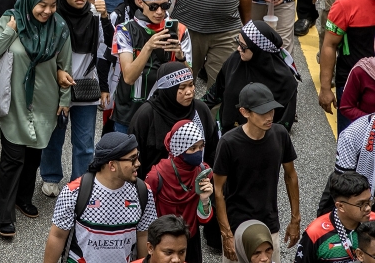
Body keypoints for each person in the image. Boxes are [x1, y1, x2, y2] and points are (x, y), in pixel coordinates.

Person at [0, 0, 70, 237]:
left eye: (53, 5)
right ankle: (3, 216)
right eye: (41, 5)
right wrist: (11, 31)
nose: (47, 11)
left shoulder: (59, 28)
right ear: (30, 1)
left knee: (33, 156)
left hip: (45, 102)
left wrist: (65, 99)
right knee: (12, 159)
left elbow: (64, 67)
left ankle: (23, 198)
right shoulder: (12, 19)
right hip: (15, 102)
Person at [40, 0, 113, 192]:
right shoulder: (53, 17)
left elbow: (109, 46)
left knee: (84, 141)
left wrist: (105, 17)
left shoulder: (94, 15)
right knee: (54, 136)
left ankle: (79, 182)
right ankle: (50, 177)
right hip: (58, 85)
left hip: (86, 86)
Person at [213, 83, 299, 262]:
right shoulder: (229, 143)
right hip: (237, 226)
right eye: (262, 112)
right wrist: (227, 235)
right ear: (245, 112)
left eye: (272, 111)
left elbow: (291, 175)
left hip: (269, 224)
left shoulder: (280, 134)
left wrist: (295, 219)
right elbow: (218, 190)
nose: (269, 117)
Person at [44, 132, 158, 263]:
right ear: (112, 165)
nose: (138, 163)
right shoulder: (74, 192)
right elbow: (58, 236)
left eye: (137, 156)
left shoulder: (143, 192)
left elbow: (143, 234)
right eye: (132, 158)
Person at [111, 0, 192, 133]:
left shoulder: (180, 30)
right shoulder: (124, 30)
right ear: (140, 2)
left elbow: (189, 80)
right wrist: (148, 46)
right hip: (129, 114)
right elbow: (128, 77)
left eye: (165, 6)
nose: (160, 12)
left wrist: (180, 56)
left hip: (165, 113)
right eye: (154, 6)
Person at [128, 63, 218, 179]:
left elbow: (213, 149)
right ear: (168, 89)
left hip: (195, 186)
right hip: (156, 187)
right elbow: (134, 159)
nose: (189, 91)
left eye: (191, 85)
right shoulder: (147, 115)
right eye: (182, 87)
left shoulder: (200, 110)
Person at [322, 0, 375, 131]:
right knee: (350, 145)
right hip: (353, 85)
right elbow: (329, 45)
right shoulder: (346, 4)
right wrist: (325, 88)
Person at [144, 129, 214, 263]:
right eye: (192, 148)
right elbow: (146, 215)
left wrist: (204, 200)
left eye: (201, 147)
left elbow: (203, 220)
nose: (198, 152)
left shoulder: (202, 172)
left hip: (190, 241)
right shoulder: (157, 176)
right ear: (178, 149)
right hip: (163, 242)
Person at [295, 172, 370, 263]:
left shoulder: (373, 222)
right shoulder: (315, 233)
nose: (368, 208)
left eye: (369, 201)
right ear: (340, 206)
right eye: (361, 204)